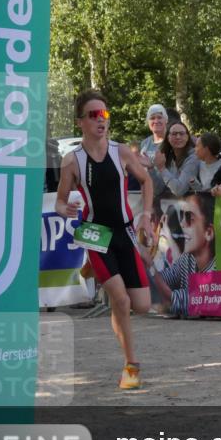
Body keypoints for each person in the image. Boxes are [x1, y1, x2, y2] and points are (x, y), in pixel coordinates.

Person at [55, 90, 154, 390]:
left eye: (105, 115)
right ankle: (131, 366)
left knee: (143, 306)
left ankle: (93, 269)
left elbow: (147, 180)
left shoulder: (121, 151)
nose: (101, 120)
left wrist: (146, 215)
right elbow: (60, 202)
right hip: (95, 234)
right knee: (121, 301)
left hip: (123, 232)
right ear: (80, 122)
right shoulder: (72, 161)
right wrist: (65, 209)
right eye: (94, 115)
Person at [141, 193, 216, 319]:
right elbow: (165, 279)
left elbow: (174, 300)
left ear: (208, 232)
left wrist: (150, 266)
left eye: (189, 218)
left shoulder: (218, 269)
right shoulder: (188, 258)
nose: (182, 223)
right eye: (181, 216)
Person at [153, 121, 199, 201]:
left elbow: (179, 190)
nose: (178, 137)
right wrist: (150, 169)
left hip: (196, 209)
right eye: (174, 134)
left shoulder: (193, 158)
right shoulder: (167, 157)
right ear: (168, 137)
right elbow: (158, 190)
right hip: (175, 209)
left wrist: (162, 169)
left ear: (187, 137)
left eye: (181, 133)